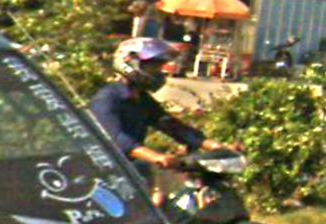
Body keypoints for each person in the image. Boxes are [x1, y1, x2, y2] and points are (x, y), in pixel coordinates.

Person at [90, 37, 242, 194]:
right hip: (103, 173)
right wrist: (156, 157)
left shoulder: (143, 101)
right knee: (157, 196)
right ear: (130, 64)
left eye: (159, 68)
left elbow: (172, 126)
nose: (158, 73)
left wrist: (214, 146)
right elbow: (115, 138)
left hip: (130, 170)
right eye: (153, 68)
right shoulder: (108, 98)